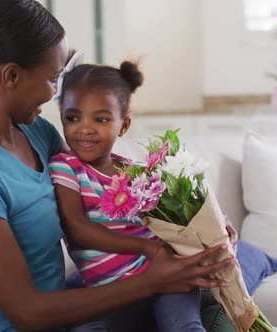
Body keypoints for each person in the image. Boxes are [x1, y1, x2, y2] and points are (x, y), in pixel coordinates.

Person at [0, 0, 235, 331]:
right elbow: (27, 312)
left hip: (71, 316)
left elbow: (96, 187)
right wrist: (152, 281)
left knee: (213, 280)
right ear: (12, 76)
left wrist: (196, 228)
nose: (54, 94)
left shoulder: (35, 132)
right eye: (52, 79)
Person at [48, 59, 209, 331]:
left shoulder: (137, 171)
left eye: (100, 119)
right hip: (115, 294)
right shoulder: (67, 168)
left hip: (169, 278)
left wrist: (215, 224)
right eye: (73, 117)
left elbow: (174, 220)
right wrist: (146, 247)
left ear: (123, 125)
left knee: (186, 327)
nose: (84, 128)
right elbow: (76, 229)